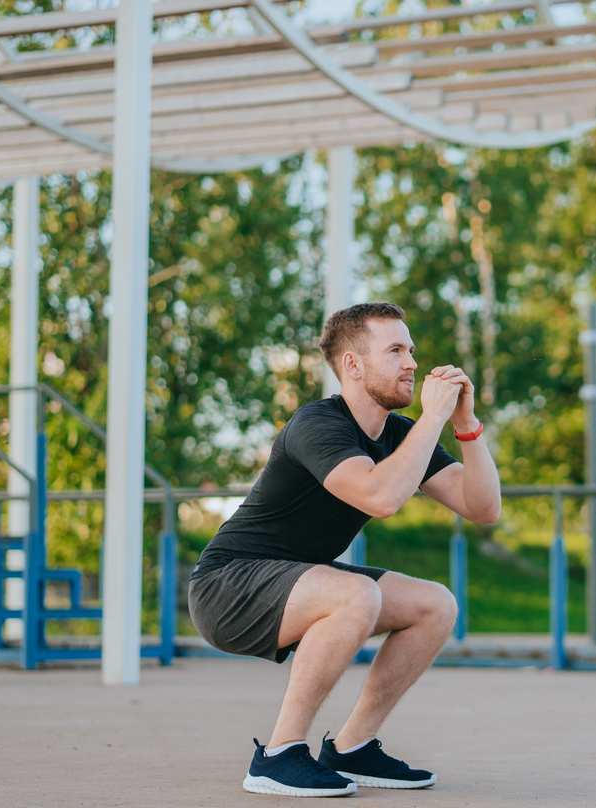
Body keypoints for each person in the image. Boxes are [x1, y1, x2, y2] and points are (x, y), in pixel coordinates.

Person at [189, 302, 501, 798]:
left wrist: (465, 424)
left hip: (302, 579)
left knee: (434, 605)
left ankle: (352, 748)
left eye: (411, 350)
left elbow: (482, 507)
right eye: (395, 351)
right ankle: (278, 756)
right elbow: (380, 497)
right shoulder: (317, 424)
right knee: (357, 594)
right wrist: (434, 417)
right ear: (353, 365)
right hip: (226, 587)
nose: (412, 364)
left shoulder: (401, 435)